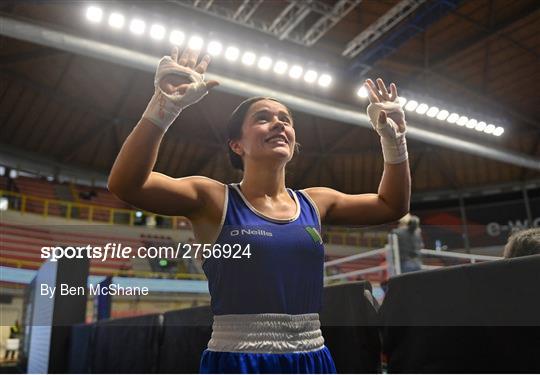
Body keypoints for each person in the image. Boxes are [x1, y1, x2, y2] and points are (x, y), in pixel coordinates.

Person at [108, 45, 410, 373]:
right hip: (239, 359)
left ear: (294, 144)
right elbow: (126, 185)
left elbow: (392, 206)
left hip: (314, 357)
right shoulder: (213, 198)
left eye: (285, 120)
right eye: (263, 119)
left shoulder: (315, 201)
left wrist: (394, 140)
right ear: (236, 145)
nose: (278, 124)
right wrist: (161, 108)